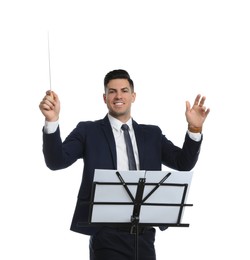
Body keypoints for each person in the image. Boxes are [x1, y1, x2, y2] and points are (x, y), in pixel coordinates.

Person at [39, 69, 210, 260]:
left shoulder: (152, 134)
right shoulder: (88, 131)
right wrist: (51, 121)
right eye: (112, 91)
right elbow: (56, 161)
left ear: (133, 96)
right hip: (106, 236)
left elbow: (183, 163)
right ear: (104, 98)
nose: (118, 96)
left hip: (144, 236)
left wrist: (195, 128)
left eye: (124, 90)